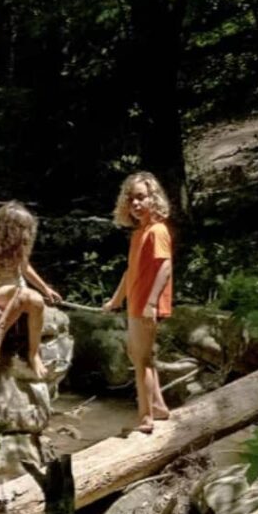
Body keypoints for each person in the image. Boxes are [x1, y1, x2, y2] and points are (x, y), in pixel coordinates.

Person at [101, 172, 174, 435]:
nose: (135, 203)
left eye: (141, 197)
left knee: (140, 359)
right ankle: (159, 407)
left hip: (146, 305)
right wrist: (115, 300)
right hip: (136, 304)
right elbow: (130, 271)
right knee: (139, 355)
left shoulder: (157, 231)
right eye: (131, 198)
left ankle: (146, 417)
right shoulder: (139, 234)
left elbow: (165, 266)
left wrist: (152, 303)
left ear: (153, 198)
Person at [0, 202, 62, 377]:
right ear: (9, 228)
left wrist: (45, 289)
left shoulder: (21, 244)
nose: (26, 232)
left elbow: (25, 269)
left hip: (19, 291)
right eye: (22, 228)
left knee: (36, 300)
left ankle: (33, 354)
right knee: (25, 294)